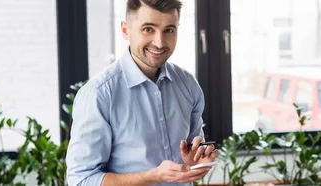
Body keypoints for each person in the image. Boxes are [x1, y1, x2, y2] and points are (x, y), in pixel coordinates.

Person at [65, 0, 218, 185]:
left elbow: (194, 147)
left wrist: (195, 161)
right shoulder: (99, 95)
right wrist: (154, 176)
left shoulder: (188, 85)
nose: (159, 42)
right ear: (125, 30)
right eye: (148, 29)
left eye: (169, 30)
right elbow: (81, 180)